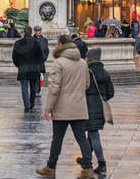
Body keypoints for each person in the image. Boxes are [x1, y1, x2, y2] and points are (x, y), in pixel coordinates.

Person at [35, 35, 93, 179]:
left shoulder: (58, 63)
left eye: (57, 44)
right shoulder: (82, 63)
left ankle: (51, 166)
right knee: (81, 138)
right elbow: (87, 84)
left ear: (61, 44)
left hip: (62, 107)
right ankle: (88, 167)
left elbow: (54, 88)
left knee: (57, 139)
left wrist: (48, 108)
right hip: (79, 106)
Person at [83, 47, 114, 177]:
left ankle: (101, 163)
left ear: (89, 59)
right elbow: (111, 93)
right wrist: (102, 97)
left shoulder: (87, 72)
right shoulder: (105, 73)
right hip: (100, 107)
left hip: (89, 106)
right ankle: (86, 160)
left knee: (93, 135)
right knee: (92, 133)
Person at [12, 25, 45, 111]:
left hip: (23, 67)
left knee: (24, 86)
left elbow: (14, 56)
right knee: (33, 86)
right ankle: (32, 102)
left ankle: (27, 104)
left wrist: (18, 65)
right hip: (34, 67)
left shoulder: (18, 43)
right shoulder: (36, 42)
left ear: (23, 32)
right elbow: (40, 55)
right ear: (31, 32)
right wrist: (38, 65)